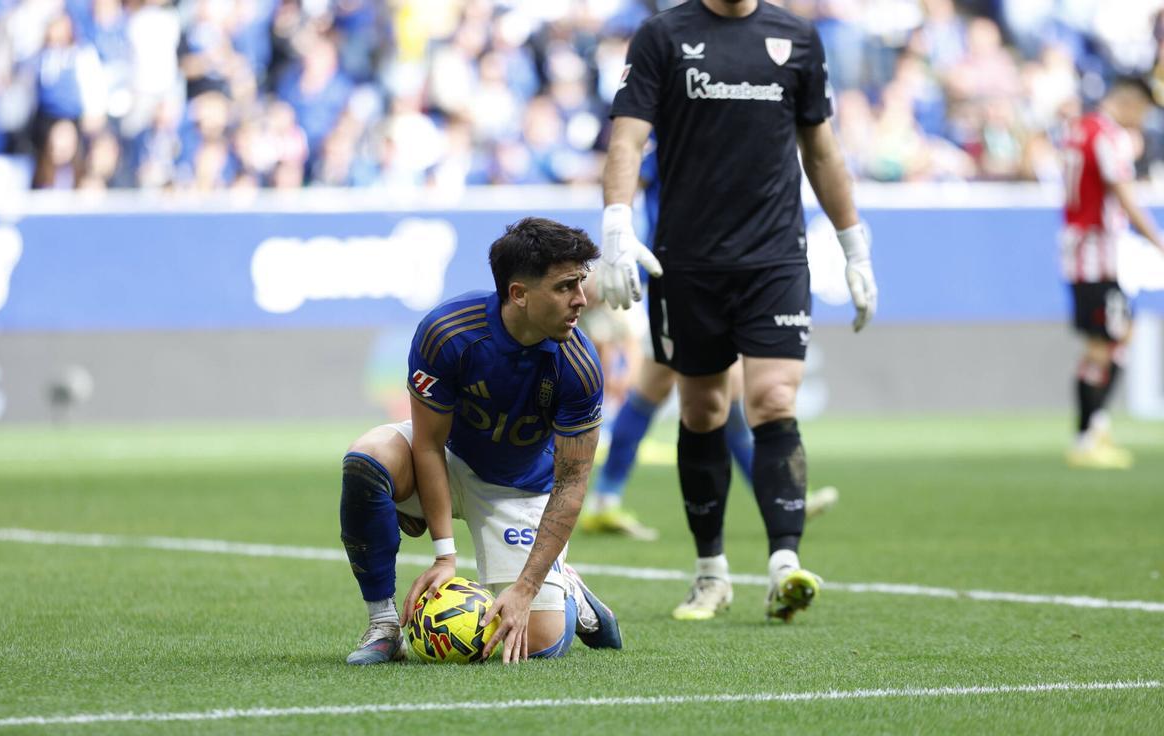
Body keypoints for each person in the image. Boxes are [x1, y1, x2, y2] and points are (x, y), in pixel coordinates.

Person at [598, 0, 877, 622]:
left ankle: (784, 564)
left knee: (774, 400)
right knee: (703, 409)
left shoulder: (797, 39)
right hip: (687, 261)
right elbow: (626, 139)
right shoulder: (663, 36)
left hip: (774, 258)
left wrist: (854, 245)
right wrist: (616, 222)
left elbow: (822, 152)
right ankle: (711, 572)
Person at [339, 217, 623, 665]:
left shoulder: (579, 365)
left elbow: (571, 484)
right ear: (519, 294)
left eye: (581, 283)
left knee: (537, 646)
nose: (581, 300)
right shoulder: (448, 332)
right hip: (451, 458)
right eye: (566, 286)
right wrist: (444, 556)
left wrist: (527, 587)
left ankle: (569, 588)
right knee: (367, 459)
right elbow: (428, 446)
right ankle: (384, 625)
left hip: (522, 488)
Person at [583, 144, 838, 542]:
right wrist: (617, 246)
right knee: (711, 391)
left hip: (688, 279)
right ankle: (780, 497)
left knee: (669, 390)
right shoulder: (672, 142)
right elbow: (624, 173)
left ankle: (605, 498)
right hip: (678, 280)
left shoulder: (691, 143)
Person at [1061, 76, 1164, 469]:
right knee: (1101, 346)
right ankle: (1087, 437)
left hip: (1081, 252)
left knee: (1117, 336)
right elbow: (1121, 192)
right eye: (1141, 112)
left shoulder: (1079, 130)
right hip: (1097, 255)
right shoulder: (1107, 135)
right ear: (1130, 102)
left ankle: (1095, 428)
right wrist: (1157, 240)